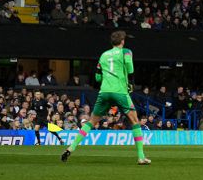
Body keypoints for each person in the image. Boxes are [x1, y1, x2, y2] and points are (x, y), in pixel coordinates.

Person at [61, 30, 150, 165]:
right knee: (135, 121)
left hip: (104, 92)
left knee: (91, 121)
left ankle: (71, 147)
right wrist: (130, 83)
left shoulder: (103, 55)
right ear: (122, 41)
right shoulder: (126, 51)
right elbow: (130, 68)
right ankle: (141, 157)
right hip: (120, 92)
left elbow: (97, 77)